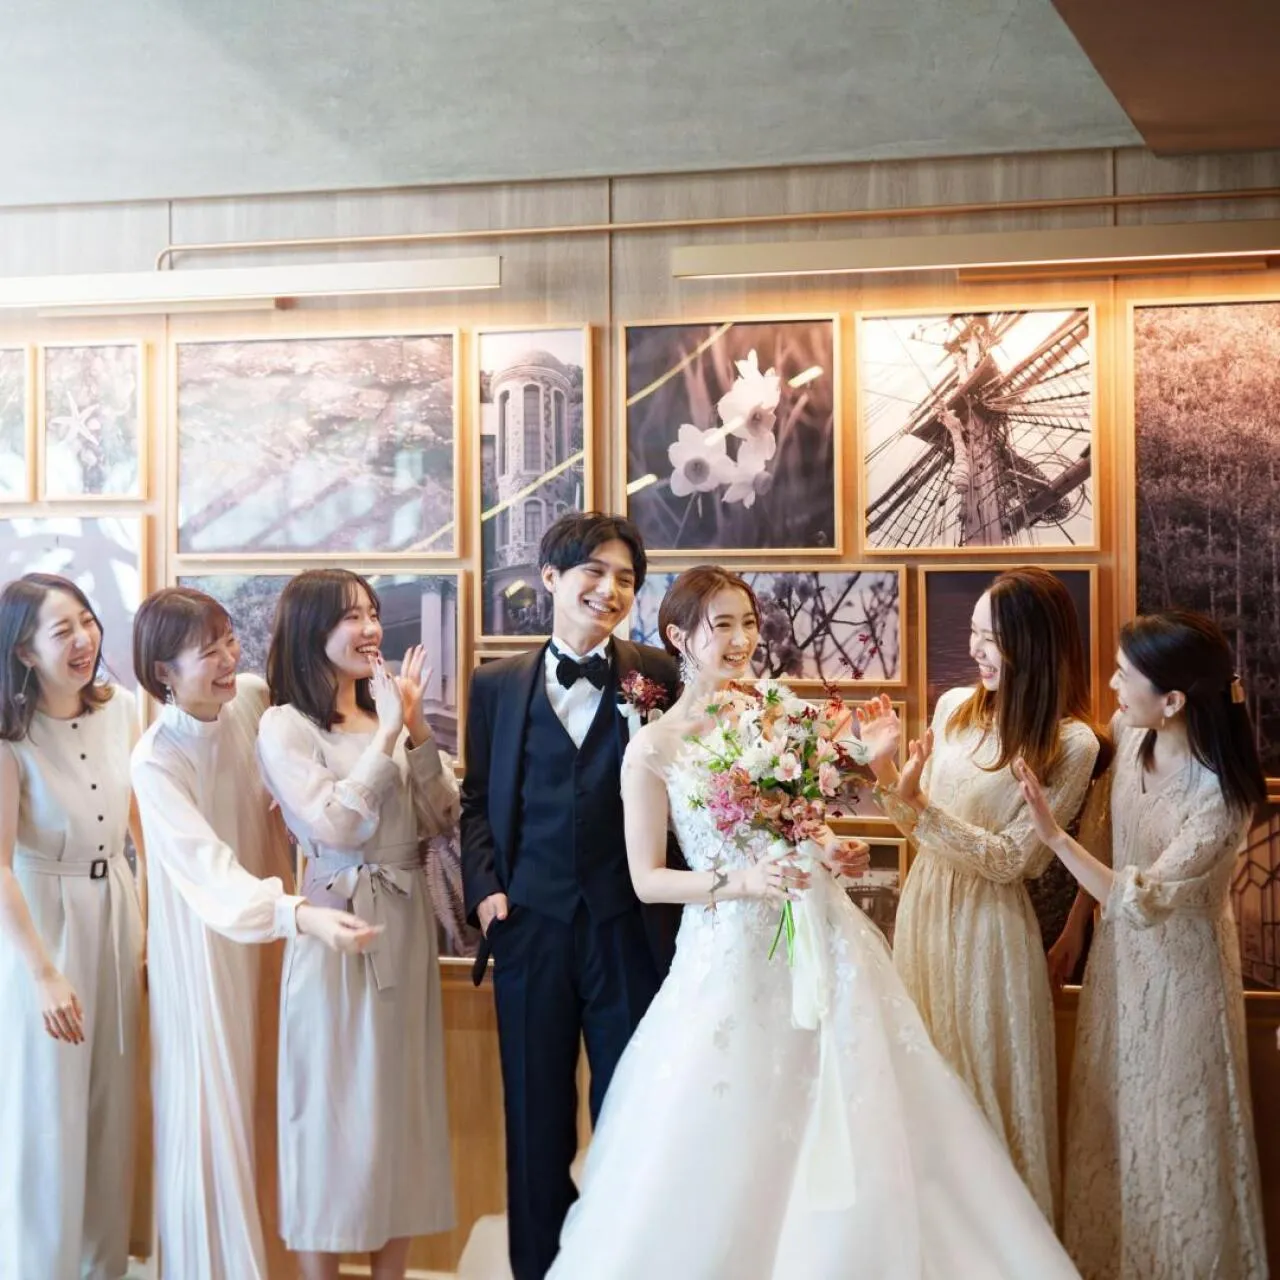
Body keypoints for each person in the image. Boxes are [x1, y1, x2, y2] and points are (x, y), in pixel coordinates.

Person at [548, 565, 1081, 1279]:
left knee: (858, 1106)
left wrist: (831, 847)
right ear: (678, 636)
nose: (742, 640)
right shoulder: (651, 747)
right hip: (728, 953)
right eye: (722, 625)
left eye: (748, 623)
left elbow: (796, 825)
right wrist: (740, 882)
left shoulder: (773, 714)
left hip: (822, 935)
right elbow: (647, 880)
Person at [130, 586, 376, 1280]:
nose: (226, 660)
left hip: (281, 930)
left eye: (228, 642)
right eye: (205, 652)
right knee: (216, 1107)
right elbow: (206, 871)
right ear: (163, 671)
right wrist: (296, 913)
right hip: (209, 944)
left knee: (280, 1096)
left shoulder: (251, 700)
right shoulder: (155, 758)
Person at [460, 512, 682, 1280]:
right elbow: (476, 804)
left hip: (631, 929)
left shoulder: (660, 675)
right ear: (551, 577)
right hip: (531, 929)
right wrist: (486, 892)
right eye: (594, 571)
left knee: (630, 1115)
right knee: (535, 1121)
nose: (610, 589)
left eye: (625, 578)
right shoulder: (495, 685)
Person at [1016, 611, 1267, 1279]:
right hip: (1116, 966)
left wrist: (1050, 836)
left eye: (1124, 675)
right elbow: (1105, 838)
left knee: (1178, 1128)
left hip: (1184, 976)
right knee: (1112, 1118)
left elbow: (1141, 897)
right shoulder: (1130, 733)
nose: (1112, 685)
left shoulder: (1220, 797)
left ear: (1174, 700)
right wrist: (1074, 930)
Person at [858, 566, 1100, 1221]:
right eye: (973, 634)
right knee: (922, 1088)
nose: (976, 650)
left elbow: (1014, 861)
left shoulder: (1072, 742)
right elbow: (914, 827)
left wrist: (919, 804)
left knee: (984, 1095)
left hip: (991, 932)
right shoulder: (953, 708)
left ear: (1036, 642)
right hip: (923, 916)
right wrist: (886, 767)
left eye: (992, 638)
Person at [257, 569, 458, 1280]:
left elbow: (444, 816)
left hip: (404, 928)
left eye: (372, 613)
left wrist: (416, 727)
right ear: (311, 629)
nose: (371, 628)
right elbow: (336, 824)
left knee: (398, 1108)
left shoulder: (389, 715)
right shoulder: (285, 724)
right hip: (335, 927)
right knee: (330, 1108)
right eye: (351, 616)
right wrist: (389, 734)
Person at [0, 573, 144, 1280]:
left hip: (116, 910)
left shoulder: (124, 710)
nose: (84, 639)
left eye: (86, 621)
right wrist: (44, 974)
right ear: (25, 652)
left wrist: (150, 931)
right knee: (47, 1114)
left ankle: (103, 1269)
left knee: (112, 1113)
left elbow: (142, 829)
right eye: (63, 631)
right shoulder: (9, 735)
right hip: (42, 924)